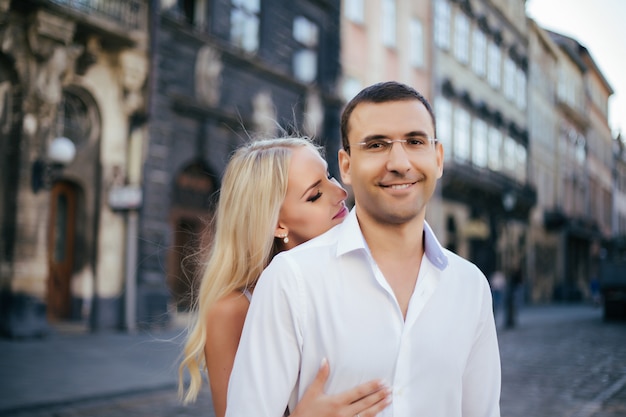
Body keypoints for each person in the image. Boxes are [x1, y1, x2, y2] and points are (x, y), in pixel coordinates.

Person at [226, 82, 501, 417]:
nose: (399, 163)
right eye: (376, 145)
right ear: (346, 165)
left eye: (415, 141)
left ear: (438, 158)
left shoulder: (471, 286)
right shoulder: (290, 281)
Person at [178, 137, 392, 417]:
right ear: (278, 224)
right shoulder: (233, 309)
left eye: (328, 176)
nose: (340, 192)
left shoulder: (362, 270)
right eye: (314, 194)